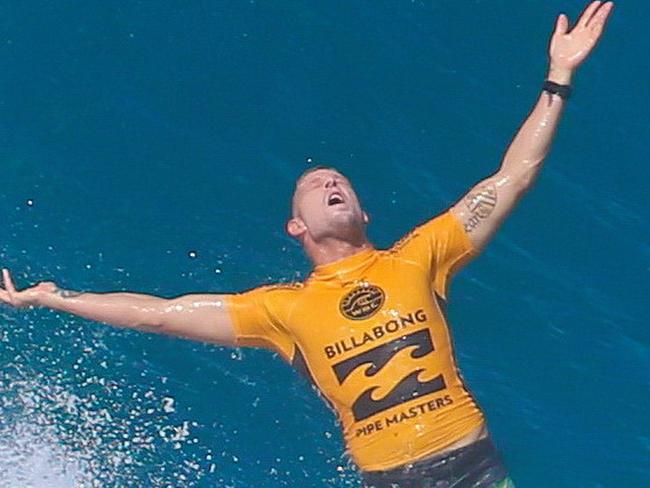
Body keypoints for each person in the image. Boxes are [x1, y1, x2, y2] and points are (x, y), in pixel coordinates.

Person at [0, 2, 613, 486]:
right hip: (389, 480)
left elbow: (511, 178)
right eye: (316, 186)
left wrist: (558, 76)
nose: (330, 182)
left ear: (364, 211)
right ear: (297, 227)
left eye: (339, 181)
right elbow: (160, 314)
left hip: (474, 464)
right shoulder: (281, 310)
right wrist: (54, 299)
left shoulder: (422, 254)